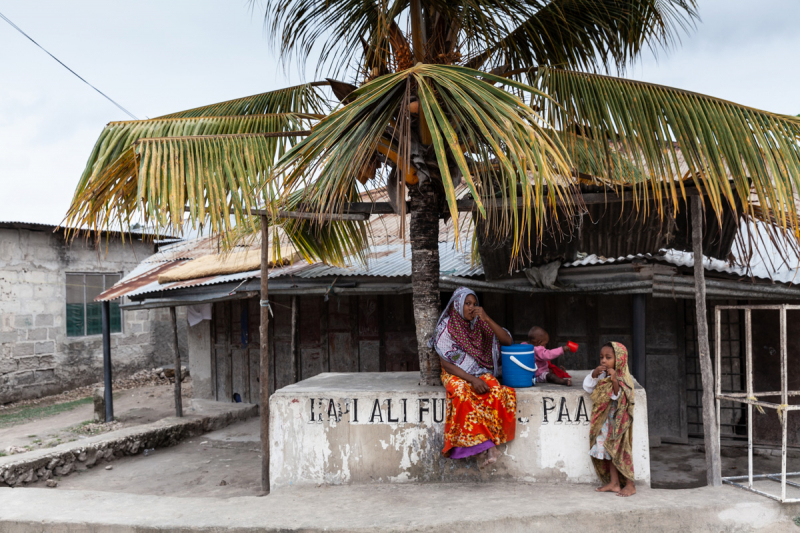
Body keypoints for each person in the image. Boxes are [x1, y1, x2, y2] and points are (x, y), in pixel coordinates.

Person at [428, 287, 516, 467]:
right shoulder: (446, 328)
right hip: (454, 372)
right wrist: (473, 380)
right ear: (457, 305)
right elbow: (446, 364)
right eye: (467, 304)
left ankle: (490, 445)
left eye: (474, 304)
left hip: (479, 369)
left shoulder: (480, 322)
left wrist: (487, 319)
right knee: (462, 393)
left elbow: (507, 341)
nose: (471, 308)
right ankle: (484, 447)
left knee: (495, 392)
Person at [583, 341, 636, 497]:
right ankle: (614, 483)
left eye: (608, 357)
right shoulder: (601, 375)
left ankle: (630, 485)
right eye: (601, 357)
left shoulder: (623, 378)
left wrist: (614, 380)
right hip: (605, 421)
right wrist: (594, 374)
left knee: (621, 451)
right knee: (608, 450)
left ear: (619, 359)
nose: (604, 361)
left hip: (620, 422)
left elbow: (618, 395)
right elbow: (588, 388)